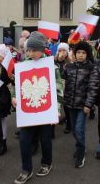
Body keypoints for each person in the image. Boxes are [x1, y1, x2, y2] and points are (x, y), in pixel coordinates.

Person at [12, 31, 63, 184]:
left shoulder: (51, 66)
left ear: (42, 49)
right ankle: (26, 169)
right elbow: (17, 86)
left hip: (45, 112)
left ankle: (47, 163)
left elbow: (58, 89)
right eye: (29, 50)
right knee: (24, 140)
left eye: (34, 50)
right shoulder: (22, 65)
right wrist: (14, 97)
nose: (31, 53)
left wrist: (57, 109)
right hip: (28, 113)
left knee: (45, 139)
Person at [63, 41, 99, 168]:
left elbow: (93, 87)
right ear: (74, 53)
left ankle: (81, 153)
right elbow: (61, 81)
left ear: (87, 54)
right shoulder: (68, 67)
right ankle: (80, 146)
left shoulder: (92, 68)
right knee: (74, 129)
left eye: (83, 53)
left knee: (79, 129)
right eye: (78, 52)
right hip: (69, 104)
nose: (80, 55)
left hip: (83, 105)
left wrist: (88, 105)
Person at [54, 42, 71, 134]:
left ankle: (69, 124)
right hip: (56, 87)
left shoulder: (69, 63)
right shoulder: (53, 61)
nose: (62, 52)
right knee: (55, 105)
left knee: (66, 107)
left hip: (67, 89)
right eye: (60, 50)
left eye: (64, 50)